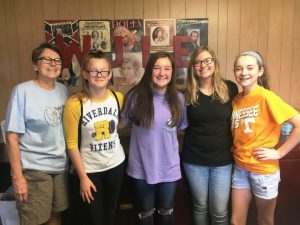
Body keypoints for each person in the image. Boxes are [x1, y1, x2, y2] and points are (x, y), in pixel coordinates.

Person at [230, 51, 300, 225]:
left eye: (250, 68)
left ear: (260, 71)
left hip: (262, 170)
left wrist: (279, 153)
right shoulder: (237, 99)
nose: (244, 72)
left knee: (265, 220)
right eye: (239, 68)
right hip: (240, 166)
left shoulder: (266, 97)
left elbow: (299, 124)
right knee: (236, 221)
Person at [119, 51, 188, 225]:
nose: (162, 73)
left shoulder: (179, 98)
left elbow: (181, 127)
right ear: (149, 70)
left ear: (172, 72)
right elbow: (121, 124)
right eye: (157, 68)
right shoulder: (135, 96)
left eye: (167, 68)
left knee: (166, 211)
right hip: (140, 167)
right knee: (145, 213)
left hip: (169, 167)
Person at [5, 42, 69, 225]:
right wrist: (18, 177)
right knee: (35, 220)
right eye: (46, 59)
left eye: (57, 60)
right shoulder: (22, 91)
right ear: (35, 65)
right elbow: (12, 136)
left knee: (56, 216)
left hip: (59, 168)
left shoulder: (63, 90)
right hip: (34, 170)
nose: (53, 63)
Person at [63, 49, 125, 225]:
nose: (99, 75)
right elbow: (72, 144)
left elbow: (119, 124)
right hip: (90, 171)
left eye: (104, 70)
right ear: (85, 74)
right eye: (93, 70)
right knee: (95, 219)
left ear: (110, 73)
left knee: (111, 215)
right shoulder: (75, 104)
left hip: (116, 165)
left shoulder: (117, 97)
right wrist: (83, 177)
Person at [182, 46, 238, 225]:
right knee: (200, 206)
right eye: (197, 62)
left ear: (215, 63)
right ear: (193, 67)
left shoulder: (230, 88)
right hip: (194, 160)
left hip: (222, 160)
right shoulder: (187, 94)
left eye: (207, 60)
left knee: (220, 211)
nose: (203, 65)